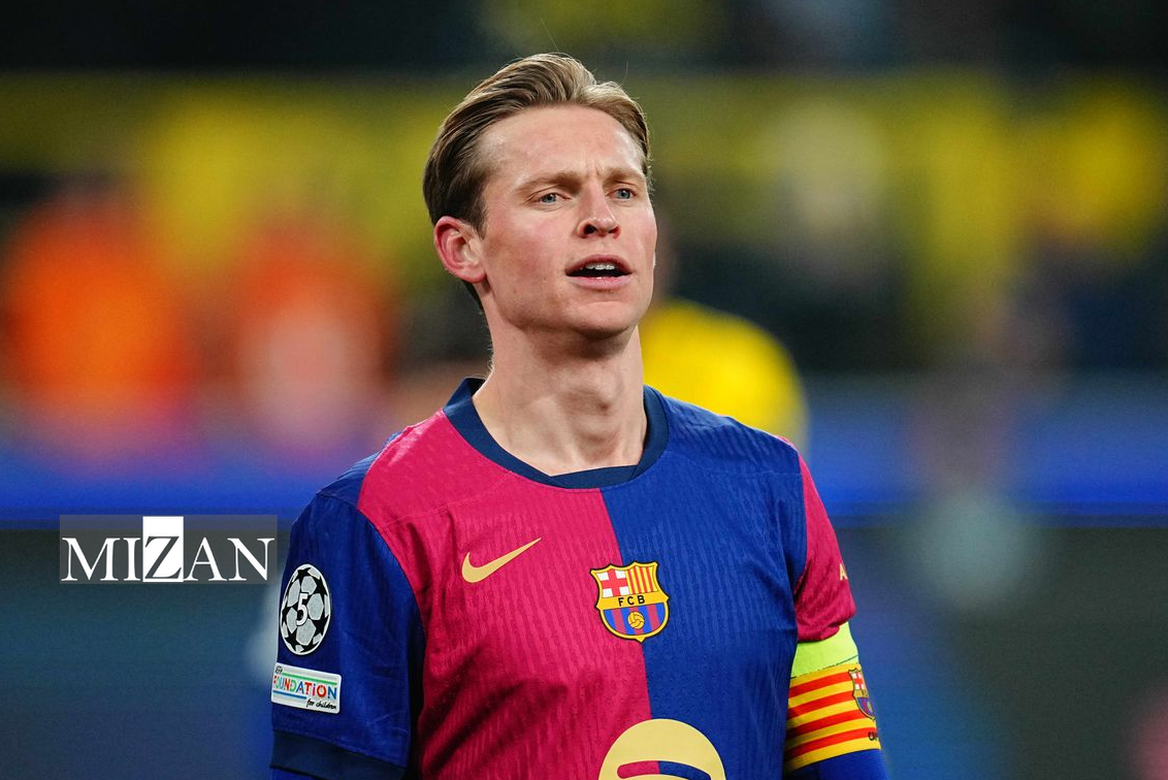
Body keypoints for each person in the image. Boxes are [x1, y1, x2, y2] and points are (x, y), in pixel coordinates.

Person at [270, 53, 887, 780]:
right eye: (552, 196)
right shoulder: (373, 520)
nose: (601, 218)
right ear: (463, 248)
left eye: (624, 190)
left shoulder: (771, 485)